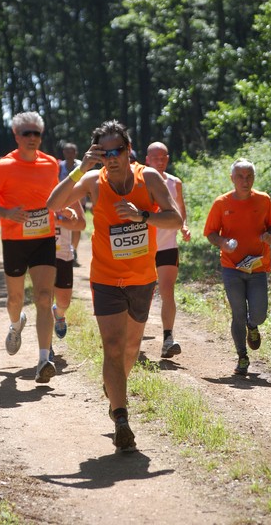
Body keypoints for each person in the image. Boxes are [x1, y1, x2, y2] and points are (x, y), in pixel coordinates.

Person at [47, 120, 182, 453]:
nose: (111, 158)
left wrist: (143, 217)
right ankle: (121, 417)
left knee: (132, 348)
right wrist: (81, 168)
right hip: (105, 278)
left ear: (128, 149)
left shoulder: (147, 177)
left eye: (117, 151)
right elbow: (53, 203)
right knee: (112, 345)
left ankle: (114, 388)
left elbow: (175, 219)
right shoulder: (93, 180)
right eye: (104, 152)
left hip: (141, 278)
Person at [0, 111, 61, 385]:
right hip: (14, 240)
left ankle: (43, 360)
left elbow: (56, 197)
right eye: (26, 133)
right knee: (16, 300)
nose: (32, 138)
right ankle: (16, 325)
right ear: (16, 136)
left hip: (43, 239)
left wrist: (65, 211)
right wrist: (5, 212)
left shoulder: (51, 164)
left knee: (44, 296)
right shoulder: (4, 166)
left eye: (36, 133)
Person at [203, 158, 271, 376]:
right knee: (237, 313)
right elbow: (210, 233)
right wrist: (222, 243)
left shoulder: (264, 200)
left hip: (257, 267)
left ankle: (252, 326)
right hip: (232, 268)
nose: (245, 181)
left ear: (253, 178)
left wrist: (269, 235)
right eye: (240, 177)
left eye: (249, 177)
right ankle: (242, 357)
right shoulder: (221, 203)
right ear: (232, 178)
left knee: (259, 314)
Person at [146, 142, 191, 359]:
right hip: (143, 248)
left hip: (167, 245)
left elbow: (180, 209)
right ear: (147, 159)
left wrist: (183, 226)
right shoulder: (139, 181)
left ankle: (168, 338)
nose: (160, 161)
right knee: (142, 294)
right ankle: (132, 337)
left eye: (163, 157)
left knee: (167, 291)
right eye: (155, 157)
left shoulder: (175, 182)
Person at [49, 200, 86, 359]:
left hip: (63, 254)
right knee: (45, 301)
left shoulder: (69, 193)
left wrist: (63, 219)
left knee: (64, 302)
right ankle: (46, 347)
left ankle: (59, 314)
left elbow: (81, 225)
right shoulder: (34, 188)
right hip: (41, 255)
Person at [59, 143, 85, 267]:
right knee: (64, 225)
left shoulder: (81, 165)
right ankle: (63, 251)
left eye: (72, 151)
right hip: (63, 201)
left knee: (77, 226)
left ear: (76, 153)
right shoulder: (60, 166)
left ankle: (74, 251)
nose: (69, 154)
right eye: (67, 151)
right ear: (63, 152)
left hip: (79, 200)